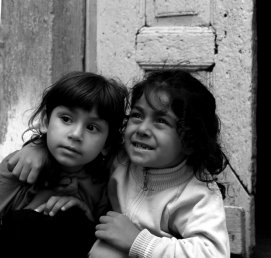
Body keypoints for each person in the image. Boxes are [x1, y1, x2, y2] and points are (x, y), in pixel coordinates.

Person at [8, 70, 231, 258]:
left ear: (190, 141)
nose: (142, 129)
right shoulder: (121, 158)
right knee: (32, 224)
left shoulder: (196, 194)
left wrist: (138, 241)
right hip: (99, 246)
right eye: (137, 115)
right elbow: (74, 144)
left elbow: (213, 252)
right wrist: (37, 148)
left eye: (161, 121)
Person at [0, 71, 129, 258]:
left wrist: (82, 212)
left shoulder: (102, 182)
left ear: (107, 144)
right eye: (66, 119)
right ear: (45, 121)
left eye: (92, 127)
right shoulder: (21, 165)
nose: (76, 134)